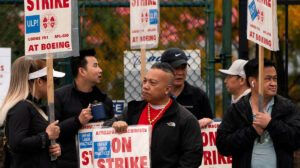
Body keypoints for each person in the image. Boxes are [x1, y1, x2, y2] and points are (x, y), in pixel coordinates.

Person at [105, 62, 203, 168]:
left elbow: (192, 159)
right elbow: (105, 128)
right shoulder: (133, 110)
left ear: (167, 89)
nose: (145, 86)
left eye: (152, 83)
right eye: (145, 81)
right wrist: (116, 124)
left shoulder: (186, 119)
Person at [216, 58, 300, 168]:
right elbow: (223, 146)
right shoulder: (237, 109)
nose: (273, 83)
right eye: (268, 79)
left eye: (275, 79)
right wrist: (252, 131)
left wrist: (271, 124)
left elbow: (297, 139)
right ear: (252, 81)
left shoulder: (287, 107)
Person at [55, 49, 114, 168]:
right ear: (82, 71)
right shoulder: (60, 96)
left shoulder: (105, 100)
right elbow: (52, 131)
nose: (100, 70)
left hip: (100, 162)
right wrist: (77, 121)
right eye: (95, 66)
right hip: (69, 163)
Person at [0, 56, 63, 168]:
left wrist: (54, 148)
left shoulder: (34, 106)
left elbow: (34, 142)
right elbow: (17, 143)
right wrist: (46, 136)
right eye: (51, 79)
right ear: (39, 81)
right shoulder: (21, 108)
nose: (53, 84)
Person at [160, 48, 213, 128]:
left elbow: (210, 128)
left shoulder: (199, 96)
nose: (180, 73)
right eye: (176, 68)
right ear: (164, 69)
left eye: (183, 68)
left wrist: (208, 121)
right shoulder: (157, 94)